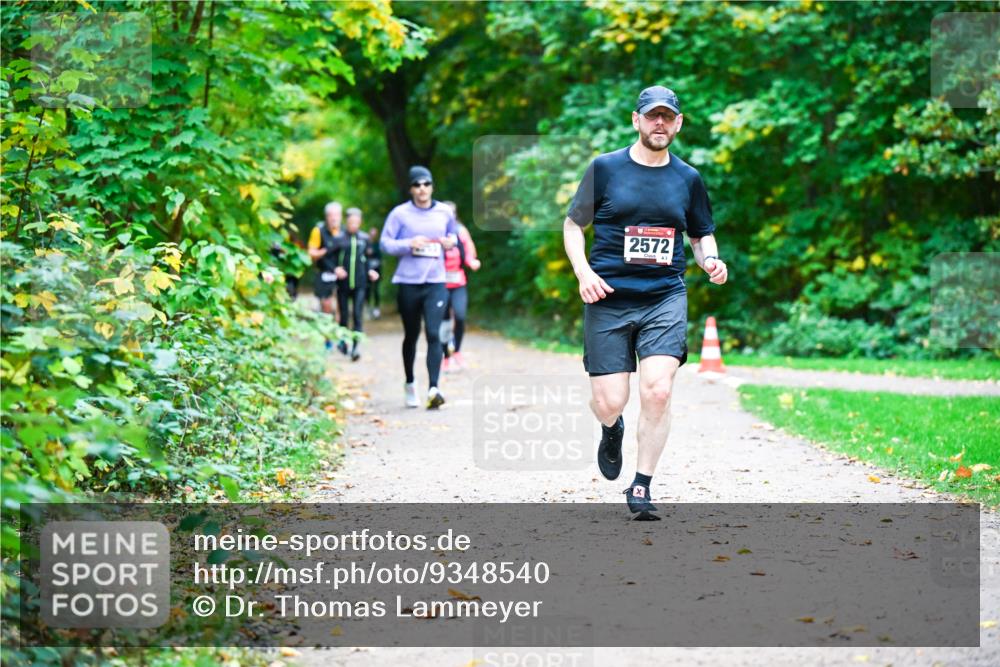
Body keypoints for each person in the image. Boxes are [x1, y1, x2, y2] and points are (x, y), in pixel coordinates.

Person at [562, 86, 728, 519]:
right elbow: (573, 226)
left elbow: (699, 233)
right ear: (636, 121)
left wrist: (710, 259)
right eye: (652, 116)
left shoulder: (688, 179)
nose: (660, 123)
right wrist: (584, 273)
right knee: (610, 400)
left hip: (663, 297)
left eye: (667, 117)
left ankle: (642, 485)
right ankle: (610, 427)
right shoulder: (605, 169)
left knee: (657, 390)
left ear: (678, 123)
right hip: (609, 297)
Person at [380, 166, 458, 409]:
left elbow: (453, 236)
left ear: (432, 186)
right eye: (417, 184)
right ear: (411, 188)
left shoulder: (444, 212)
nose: (422, 188)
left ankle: (434, 388)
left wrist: (449, 243)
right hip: (408, 282)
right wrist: (408, 244)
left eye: (426, 184)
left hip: (436, 281)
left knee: (434, 333)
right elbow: (385, 243)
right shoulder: (400, 214)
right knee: (411, 335)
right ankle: (410, 383)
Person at [439, 201, 480, 372]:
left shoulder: (460, 231)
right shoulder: (436, 230)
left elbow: (469, 249)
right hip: (439, 284)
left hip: (458, 282)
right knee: (444, 322)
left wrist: (471, 261)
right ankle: (445, 357)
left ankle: (456, 351)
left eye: (452, 212)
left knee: (461, 316)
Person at [333, 208, 379, 361]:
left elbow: (367, 259)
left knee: (358, 315)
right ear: (347, 222)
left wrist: (371, 271)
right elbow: (330, 258)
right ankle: (343, 343)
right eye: (351, 222)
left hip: (360, 283)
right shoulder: (339, 238)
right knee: (344, 315)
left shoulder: (364, 238)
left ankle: (355, 348)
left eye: (356, 222)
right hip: (343, 284)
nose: (353, 225)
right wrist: (336, 269)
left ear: (360, 222)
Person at [308, 201, 343, 351]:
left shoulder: (345, 232)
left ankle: (341, 338)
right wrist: (325, 250)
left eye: (336, 215)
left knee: (341, 307)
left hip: (341, 274)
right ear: (326, 217)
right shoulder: (318, 231)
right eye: (331, 215)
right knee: (326, 306)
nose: (334, 218)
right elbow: (311, 253)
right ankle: (327, 339)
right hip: (324, 273)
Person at [365, 226, 383, 319]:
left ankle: (376, 309)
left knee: (376, 290)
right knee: (367, 290)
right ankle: (368, 308)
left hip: (377, 270)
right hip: (367, 271)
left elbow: (380, 258)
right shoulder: (365, 243)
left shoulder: (377, 245)